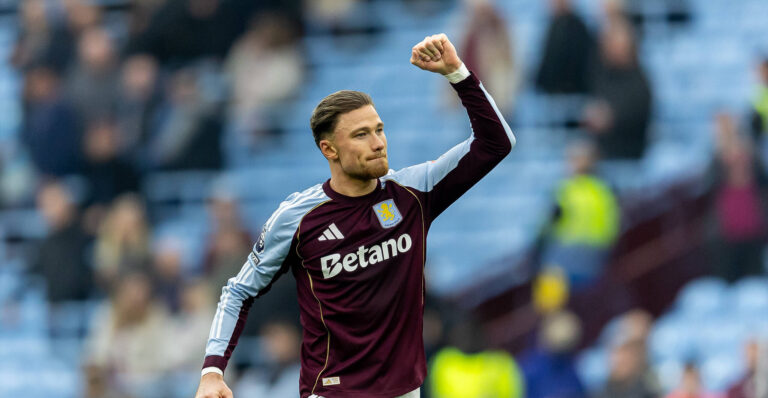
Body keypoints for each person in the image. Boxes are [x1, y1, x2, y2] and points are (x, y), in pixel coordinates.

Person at [194, 33, 516, 398]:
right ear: (328, 149)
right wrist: (212, 372)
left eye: (379, 130)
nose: (378, 142)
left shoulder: (414, 191)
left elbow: (497, 142)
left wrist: (457, 73)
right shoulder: (298, 218)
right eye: (361, 135)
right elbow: (238, 291)